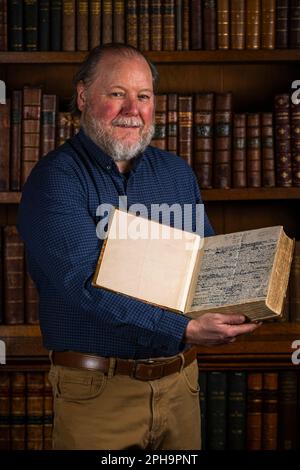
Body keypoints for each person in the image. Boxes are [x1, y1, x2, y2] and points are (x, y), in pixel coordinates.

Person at [17, 43, 260, 450]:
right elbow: (85, 284)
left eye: (143, 96)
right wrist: (184, 328)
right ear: (82, 96)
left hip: (181, 385)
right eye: (117, 94)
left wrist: (250, 297)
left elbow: (207, 262)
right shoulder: (55, 180)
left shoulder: (177, 174)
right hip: (98, 392)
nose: (133, 108)